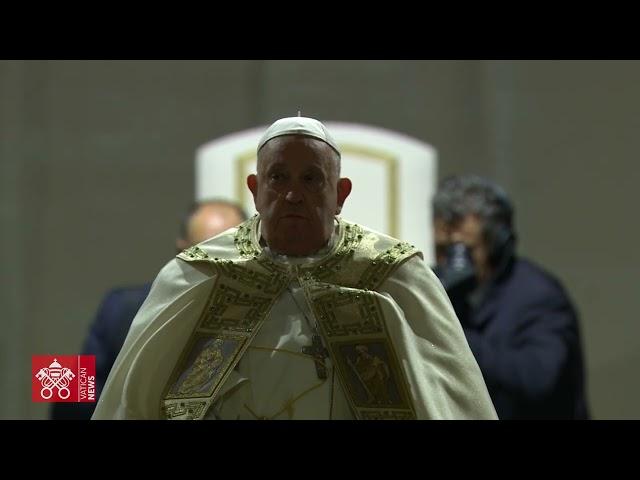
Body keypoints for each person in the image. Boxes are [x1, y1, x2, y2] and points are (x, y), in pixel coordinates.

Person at [92, 116, 497, 420]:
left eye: (311, 180)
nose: (292, 195)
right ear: (255, 189)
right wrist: (60, 397)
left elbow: (453, 399)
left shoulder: (390, 276)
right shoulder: (194, 279)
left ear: (340, 193)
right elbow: (98, 392)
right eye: (278, 177)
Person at [50, 199, 247, 420]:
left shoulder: (270, 314)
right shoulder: (124, 307)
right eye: (206, 253)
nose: (219, 265)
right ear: (182, 249)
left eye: (231, 254)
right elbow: (72, 393)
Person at [432, 175, 590, 419]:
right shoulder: (437, 287)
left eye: (466, 250)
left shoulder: (539, 296)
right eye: (443, 250)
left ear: (497, 244)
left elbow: (538, 378)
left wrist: (454, 338)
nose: (452, 264)